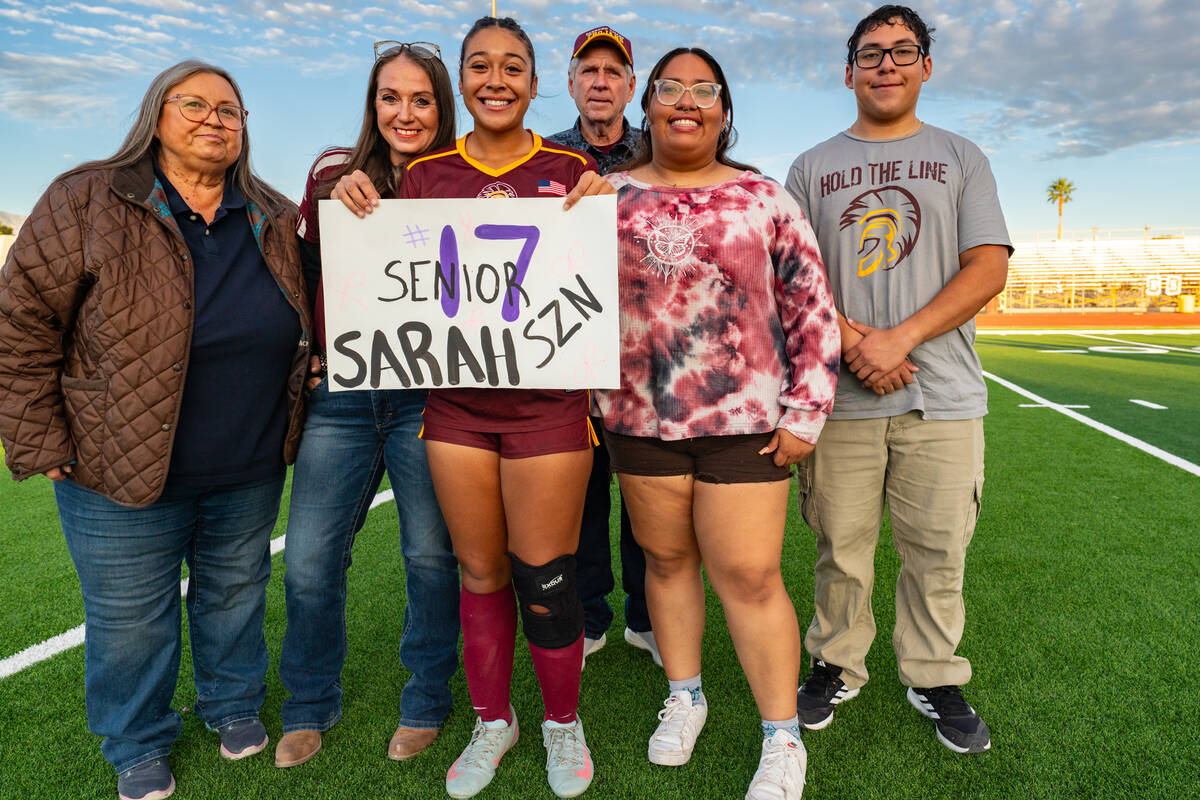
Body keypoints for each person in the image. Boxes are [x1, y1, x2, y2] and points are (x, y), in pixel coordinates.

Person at [0, 61, 311, 800]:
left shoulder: (270, 211)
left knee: (235, 593)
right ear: (156, 113)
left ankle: (231, 702)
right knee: (132, 619)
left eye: (230, 110)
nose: (215, 120)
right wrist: (43, 441)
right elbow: (19, 326)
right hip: (118, 465)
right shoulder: (89, 197)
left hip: (248, 461)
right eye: (194, 104)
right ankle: (136, 740)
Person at [334, 15, 613, 800]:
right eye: (480, 67)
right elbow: (387, 269)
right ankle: (496, 719)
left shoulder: (572, 169)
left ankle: (563, 724)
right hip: (456, 409)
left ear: (534, 81)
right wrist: (354, 192)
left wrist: (601, 208)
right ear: (464, 81)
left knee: (547, 578)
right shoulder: (424, 174)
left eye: (513, 67)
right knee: (481, 572)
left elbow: (596, 282)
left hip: (551, 409)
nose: (496, 80)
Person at [595, 47, 841, 800]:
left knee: (750, 575)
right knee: (666, 564)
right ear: (649, 106)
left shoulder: (764, 198)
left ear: (725, 111)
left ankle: (781, 736)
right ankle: (686, 694)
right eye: (671, 87)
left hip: (745, 421)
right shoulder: (603, 196)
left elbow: (811, 308)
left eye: (705, 90)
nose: (687, 101)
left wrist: (808, 412)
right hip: (639, 419)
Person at [785, 4, 1011, 755]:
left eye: (902, 51)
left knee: (938, 549)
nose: (886, 63)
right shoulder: (811, 167)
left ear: (926, 66)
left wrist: (901, 339)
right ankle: (835, 664)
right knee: (840, 546)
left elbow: (988, 265)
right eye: (871, 52)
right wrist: (858, 345)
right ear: (848, 69)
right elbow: (798, 272)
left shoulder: (961, 156)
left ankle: (934, 674)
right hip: (842, 395)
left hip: (943, 394)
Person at [272, 41, 460, 771]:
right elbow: (304, 272)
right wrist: (311, 345)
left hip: (427, 395)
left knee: (430, 556)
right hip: (344, 397)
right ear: (372, 104)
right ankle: (309, 702)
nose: (405, 113)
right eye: (390, 97)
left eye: (421, 99)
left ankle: (426, 699)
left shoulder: (464, 176)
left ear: (440, 106)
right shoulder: (331, 172)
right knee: (311, 562)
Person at [546, 25, 658, 667]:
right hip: (569, 352)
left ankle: (647, 616)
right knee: (581, 502)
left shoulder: (659, 150)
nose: (600, 81)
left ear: (630, 85)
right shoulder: (547, 155)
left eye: (613, 72)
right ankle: (589, 615)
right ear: (570, 82)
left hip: (646, 356)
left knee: (648, 500)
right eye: (589, 70)